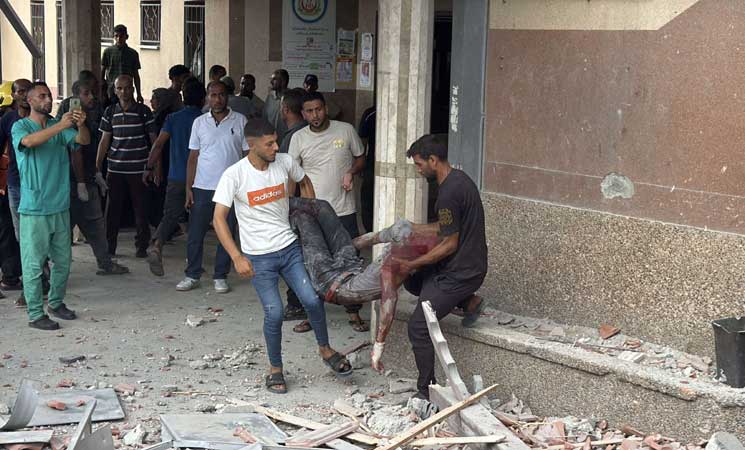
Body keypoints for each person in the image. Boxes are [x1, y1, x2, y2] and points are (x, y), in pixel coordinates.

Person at [212, 117, 352, 394]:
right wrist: (237, 257)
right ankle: (275, 368)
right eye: (269, 144)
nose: (277, 147)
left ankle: (325, 349)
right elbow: (218, 218)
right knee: (274, 312)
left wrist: (307, 216)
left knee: (312, 299)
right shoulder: (234, 175)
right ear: (252, 145)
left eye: (276, 141)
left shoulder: (285, 162)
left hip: (289, 248)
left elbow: (304, 182)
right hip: (258, 257)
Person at [394, 134, 487, 400]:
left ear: (433, 160)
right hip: (467, 264)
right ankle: (469, 302)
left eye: (419, 164)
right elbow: (446, 226)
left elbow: (449, 244)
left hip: (462, 273)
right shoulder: (458, 180)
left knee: (418, 327)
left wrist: (412, 262)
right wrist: (414, 228)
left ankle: (426, 390)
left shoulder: (448, 193)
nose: (418, 170)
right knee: (413, 280)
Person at [11, 82, 90, 330]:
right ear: (30, 101)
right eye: (42, 96)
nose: (47, 100)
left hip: (59, 205)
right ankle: (36, 314)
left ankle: (55, 303)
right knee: (34, 265)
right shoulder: (21, 126)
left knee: (63, 262)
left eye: (49, 96)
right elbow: (29, 142)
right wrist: (61, 126)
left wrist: (81, 124)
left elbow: (83, 140)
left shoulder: (58, 125)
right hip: (34, 208)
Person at [288, 91, 367, 333]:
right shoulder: (298, 138)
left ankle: (354, 312)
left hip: (343, 209)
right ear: (303, 114)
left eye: (319, 109)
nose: (315, 115)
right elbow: (291, 174)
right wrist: (288, 205)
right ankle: (313, 315)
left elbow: (361, 158)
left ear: (326, 109)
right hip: (312, 213)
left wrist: (351, 172)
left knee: (349, 260)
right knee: (312, 263)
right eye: (309, 111)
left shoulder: (346, 130)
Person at [178, 80, 246, 293]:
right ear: (207, 97)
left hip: (231, 188)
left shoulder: (240, 120)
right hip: (202, 187)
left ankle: (220, 276)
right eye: (213, 95)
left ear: (228, 96)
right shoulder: (199, 123)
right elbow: (193, 157)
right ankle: (192, 274)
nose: (217, 99)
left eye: (221, 95)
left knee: (226, 233)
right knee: (195, 234)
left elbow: (247, 155)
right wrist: (188, 188)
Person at [57, 79, 129, 276]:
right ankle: (53, 270)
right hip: (74, 182)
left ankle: (103, 263)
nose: (92, 97)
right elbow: (76, 152)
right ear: (75, 97)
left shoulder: (87, 116)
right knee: (86, 225)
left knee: (85, 226)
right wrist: (82, 182)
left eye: (92, 92)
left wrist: (95, 172)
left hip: (82, 179)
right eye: (86, 93)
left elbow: (88, 151)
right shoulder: (72, 119)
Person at [145, 80, 206, 276]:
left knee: (170, 216)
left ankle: (157, 245)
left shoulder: (173, 118)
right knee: (198, 221)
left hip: (176, 176)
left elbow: (158, 145)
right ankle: (194, 261)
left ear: (183, 97)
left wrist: (149, 167)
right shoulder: (205, 120)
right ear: (203, 98)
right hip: (201, 178)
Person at [96, 74, 158, 258]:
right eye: (120, 88)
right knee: (112, 211)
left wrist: (154, 167)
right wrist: (97, 167)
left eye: (128, 87)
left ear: (133, 89)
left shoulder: (143, 111)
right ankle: (109, 247)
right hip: (115, 170)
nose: (124, 91)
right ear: (115, 91)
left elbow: (154, 141)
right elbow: (104, 141)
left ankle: (141, 247)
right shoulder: (109, 112)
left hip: (139, 170)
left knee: (141, 210)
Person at [0, 79, 31, 295]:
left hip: (34, 184)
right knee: (14, 234)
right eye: (20, 91)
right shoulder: (7, 120)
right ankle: (14, 277)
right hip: (12, 184)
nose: (24, 95)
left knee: (30, 234)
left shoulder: (42, 120)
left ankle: (25, 277)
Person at [147, 88, 182, 228]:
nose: (151, 101)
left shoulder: (165, 118)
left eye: (154, 98)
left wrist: (156, 166)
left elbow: (159, 145)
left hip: (163, 160)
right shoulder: (160, 115)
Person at [101, 25, 143, 104]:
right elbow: (102, 73)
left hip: (127, 90)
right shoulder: (108, 52)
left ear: (126, 37)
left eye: (121, 36)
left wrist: (139, 94)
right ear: (114, 37)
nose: (118, 39)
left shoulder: (133, 54)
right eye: (116, 36)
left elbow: (136, 75)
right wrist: (102, 91)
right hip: (111, 91)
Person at [358, 105, 376, 233]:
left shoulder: (370, 113)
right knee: (368, 198)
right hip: (371, 165)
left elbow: (363, 142)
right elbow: (362, 143)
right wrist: (362, 164)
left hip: (372, 165)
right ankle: (370, 230)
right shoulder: (371, 114)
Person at [262, 69, 289, 145]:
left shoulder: (291, 98)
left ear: (283, 81)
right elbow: (264, 118)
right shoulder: (270, 98)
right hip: (271, 141)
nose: (271, 82)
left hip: (286, 141)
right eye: (271, 79)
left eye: (274, 79)